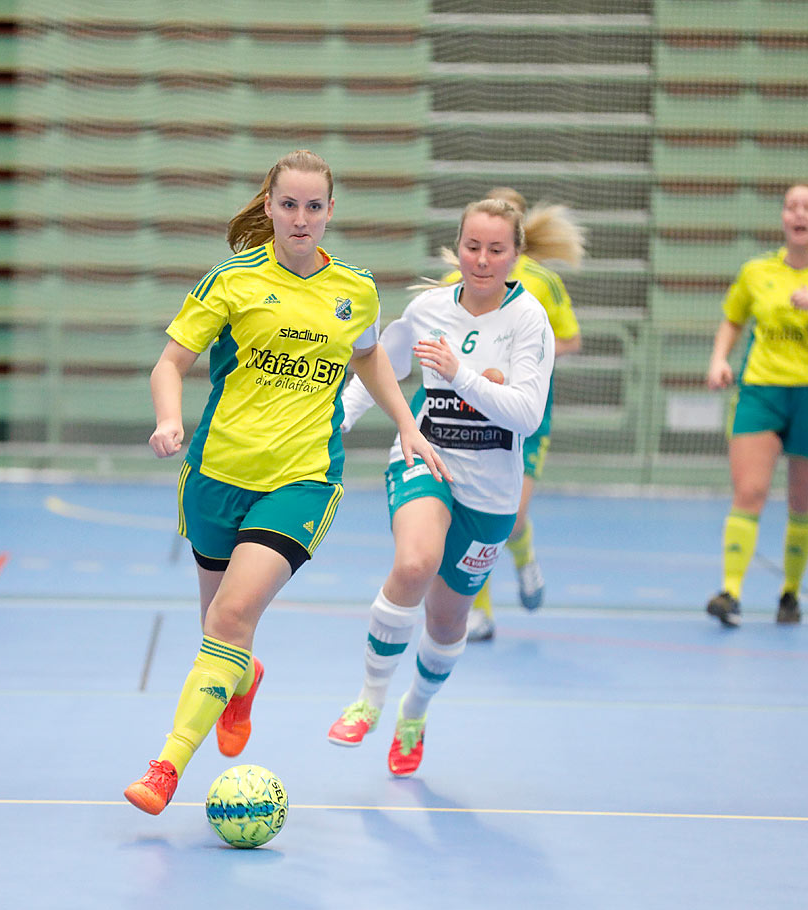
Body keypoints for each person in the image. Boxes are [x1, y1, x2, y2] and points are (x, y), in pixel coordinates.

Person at [124, 149, 449, 814]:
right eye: (289, 205)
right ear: (269, 207)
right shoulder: (232, 280)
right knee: (218, 627)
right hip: (216, 473)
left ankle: (165, 768)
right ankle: (241, 676)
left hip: (302, 477)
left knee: (234, 614)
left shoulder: (355, 291)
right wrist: (167, 418)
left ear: (331, 212)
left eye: (314, 206)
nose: (301, 218)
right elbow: (170, 362)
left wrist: (407, 425)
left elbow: (370, 360)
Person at [325, 197, 555, 776]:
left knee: (448, 619)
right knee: (414, 563)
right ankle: (369, 700)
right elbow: (378, 365)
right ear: (456, 248)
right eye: (471, 247)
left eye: (495, 249)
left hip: (492, 493)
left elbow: (526, 415)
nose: (481, 259)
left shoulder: (529, 321)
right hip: (424, 455)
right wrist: (339, 421)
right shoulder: (429, 309)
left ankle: (414, 711)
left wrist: (461, 375)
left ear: (515, 256)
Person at [704, 182, 808, 627]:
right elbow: (733, 318)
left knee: (802, 502)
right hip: (762, 390)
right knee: (750, 492)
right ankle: (731, 592)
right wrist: (720, 358)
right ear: (783, 217)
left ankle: (790, 594)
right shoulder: (756, 270)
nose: (799, 214)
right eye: (791, 206)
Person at [445, 188, 585, 642]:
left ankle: (525, 561)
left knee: (512, 516)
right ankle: (477, 610)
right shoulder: (455, 280)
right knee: (468, 512)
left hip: (526, 412)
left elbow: (569, 340)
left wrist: (528, 357)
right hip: (474, 412)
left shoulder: (541, 284)